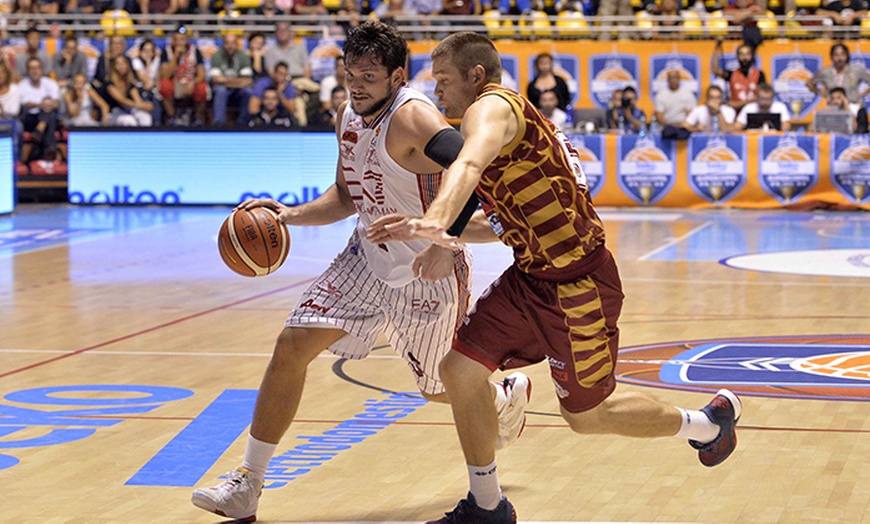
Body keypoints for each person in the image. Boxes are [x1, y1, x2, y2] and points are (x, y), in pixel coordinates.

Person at [366, 32, 742, 523]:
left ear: (476, 76)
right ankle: (487, 505)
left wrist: (437, 219)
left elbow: (469, 163)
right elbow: (500, 223)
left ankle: (706, 425)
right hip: (530, 279)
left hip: (578, 286)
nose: (436, 92)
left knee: (586, 418)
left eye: (443, 80)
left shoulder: (492, 108)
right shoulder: (507, 129)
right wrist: (443, 230)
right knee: (457, 372)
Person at [190, 21, 530, 522]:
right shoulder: (347, 115)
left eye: (369, 75)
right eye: (351, 73)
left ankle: (501, 396)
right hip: (364, 260)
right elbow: (347, 196)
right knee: (291, 346)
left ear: (396, 76)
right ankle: (248, 483)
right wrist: (290, 215)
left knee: (441, 388)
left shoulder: (415, 118)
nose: (357, 84)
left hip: (424, 270)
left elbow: (473, 173)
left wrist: (445, 241)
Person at [159, 26, 208, 126]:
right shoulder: (167, 52)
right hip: (174, 82)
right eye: (178, 39)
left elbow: (202, 74)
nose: (180, 42)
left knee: (202, 88)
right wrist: (176, 56)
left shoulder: (195, 51)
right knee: (164, 85)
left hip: (190, 82)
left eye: (183, 39)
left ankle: (198, 118)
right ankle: (172, 117)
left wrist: (192, 82)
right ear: (173, 40)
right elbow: (165, 76)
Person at [18, 57, 61, 162]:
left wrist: (49, 105)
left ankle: (39, 133)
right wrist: (41, 105)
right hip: (30, 118)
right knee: (47, 113)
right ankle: (49, 148)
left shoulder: (50, 83)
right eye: (31, 68)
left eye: (37, 68)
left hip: (47, 115)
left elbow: (57, 102)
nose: (34, 71)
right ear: (28, 71)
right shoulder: (22, 85)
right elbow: (26, 104)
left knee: (49, 113)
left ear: (41, 70)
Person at [209, 34, 254, 126]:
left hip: (238, 89)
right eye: (227, 43)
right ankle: (219, 123)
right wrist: (238, 82)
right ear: (223, 45)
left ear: (237, 45)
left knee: (248, 91)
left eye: (233, 43)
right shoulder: (217, 56)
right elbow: (216, 79)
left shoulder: (243, 56)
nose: (230, 47)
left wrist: (225, 81)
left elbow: (247, 80)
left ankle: (243, 123)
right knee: (220, 90)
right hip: (222, 88)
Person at [711, 40, 768, 113]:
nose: (744, 57)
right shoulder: (732, 73)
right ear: (737, 56)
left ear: (751, 56)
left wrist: (739, 104)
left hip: (753, 112)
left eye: (747, 54)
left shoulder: (759, 74)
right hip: (736, 113)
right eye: (741, 54)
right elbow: (716, 70)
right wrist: (717, 47)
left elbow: (762, 95)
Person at [107, 55, 154, 126]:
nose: (121, 66)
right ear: (114, 67)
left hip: (129, 110)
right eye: (118, 64)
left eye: (123, 64)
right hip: (114, 113)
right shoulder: (110, 83)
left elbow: (137, 98)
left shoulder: (130, 83)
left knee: (145, 116)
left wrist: (145, 105)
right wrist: (140, 105)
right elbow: (122, 100)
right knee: (129, 121)